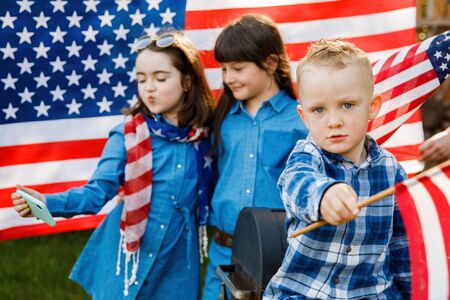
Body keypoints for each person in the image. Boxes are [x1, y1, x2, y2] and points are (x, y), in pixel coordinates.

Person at [12, 32, 215, 299]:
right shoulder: (128, 135)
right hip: (129, 257)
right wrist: (48, 203)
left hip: (178, 263)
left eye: (160, 78)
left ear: (187, 81)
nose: (149, 87)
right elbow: (97, 192)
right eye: (141, 79)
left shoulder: (204, 137)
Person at [264, 40, 411, 299]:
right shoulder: (308, 156)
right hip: (305, 292)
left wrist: (412, 292)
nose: (334, 121)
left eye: (348, 105)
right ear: (304, 116)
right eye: (319, 110)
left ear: (372, 107)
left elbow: (402, 244)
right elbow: (297, 183)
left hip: (372, 293)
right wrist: (323, 195)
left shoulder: (391, 170)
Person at [203, 14, 309, 299]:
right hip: (222, 252)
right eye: (224, 69)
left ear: (271, 63)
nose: (228, 78)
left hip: (280, 256)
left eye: (237, 68)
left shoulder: (300, 119)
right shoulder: (223, 119)